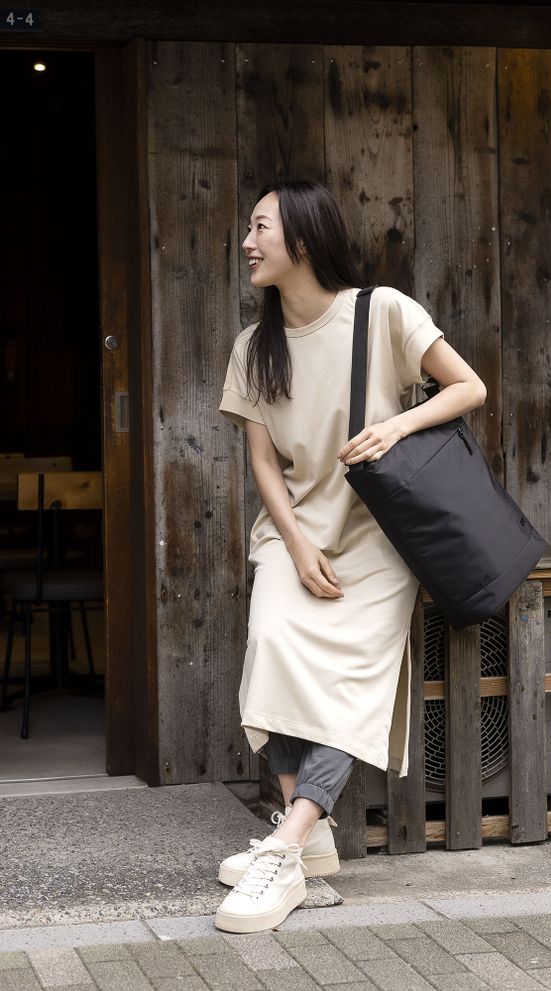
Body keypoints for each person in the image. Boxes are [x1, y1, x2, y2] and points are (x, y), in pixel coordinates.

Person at [215, 180, 486, 934]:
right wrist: (295, 544)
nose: (246, 241)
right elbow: (263, 464)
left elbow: (467, 386)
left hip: (380, 538)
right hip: (295, 531)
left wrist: (396, 428)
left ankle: (287, 840)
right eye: (248, 226)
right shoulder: (253, 345)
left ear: (301, 238)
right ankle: (306, 844)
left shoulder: (382, 311)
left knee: (350, 689)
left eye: (258, 226)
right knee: (271, 648)